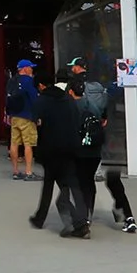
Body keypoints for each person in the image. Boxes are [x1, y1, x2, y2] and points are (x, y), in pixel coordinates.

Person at [65, 59, 136, 233]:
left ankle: (86, 216)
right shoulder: (102, 90)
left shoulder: (75, 93)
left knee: (86, 181)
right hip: (108, 140)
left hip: (87, 144)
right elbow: (105, 113)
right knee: (114, 180)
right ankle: (127, 216)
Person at [28, 76, 89, 238]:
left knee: (50, 184)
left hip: (50, 148)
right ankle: (82, 221)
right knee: (70, 184)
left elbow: (36, 122)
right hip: (70, 147)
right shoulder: (68, 100)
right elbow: (77, 120)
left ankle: (47, 219)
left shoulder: (42, 101)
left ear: (41, 86)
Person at [7, 60, 41, 182]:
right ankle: (28, 171)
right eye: (30, 67)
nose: (32, 70)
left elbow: (7, 98)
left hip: (14, 116)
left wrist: (8, 114)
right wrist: (37, 116)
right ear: (25, 68)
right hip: (27, 116)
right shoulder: (29, 81)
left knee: (14, 143)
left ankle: (15, 171)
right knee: (28, 144)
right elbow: (34, 99)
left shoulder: (12, 81)